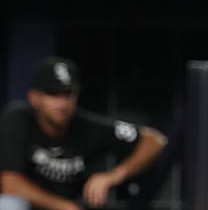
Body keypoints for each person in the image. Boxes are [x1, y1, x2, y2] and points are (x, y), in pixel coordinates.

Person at [0, 57, 167, 210]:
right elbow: (11, 185)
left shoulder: (87, 126)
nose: (62, 103)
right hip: (37, 207)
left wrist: (113, 176)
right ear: (34, 97)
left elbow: (155, 141)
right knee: (10, 204)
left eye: (68, 94)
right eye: (53, 94)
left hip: (75, 206)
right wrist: (66, 207)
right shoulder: (17, 120)